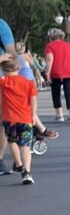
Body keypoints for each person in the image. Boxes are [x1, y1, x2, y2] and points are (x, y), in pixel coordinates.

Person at [0, 54, 39, 184]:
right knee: (25, 146)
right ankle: (26, 172)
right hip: (25, 118)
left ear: (4, 70)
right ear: (19, 68)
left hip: (9, 119)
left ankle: (18, 163)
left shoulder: (4, 82)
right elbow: (33, 99)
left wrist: (1, 58)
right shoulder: (28, 83)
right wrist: (33, 115)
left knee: (12, 142)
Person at [43, 28, 70, 123]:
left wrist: (47, 73)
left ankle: (60, 115)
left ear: (51, 37)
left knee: (56, 93)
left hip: (56, 72)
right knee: (69, 93)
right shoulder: (68, 45)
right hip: (69, 72)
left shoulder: (50, 46)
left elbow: (50, 59)